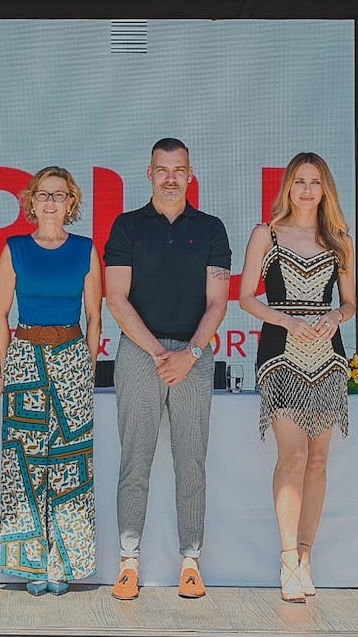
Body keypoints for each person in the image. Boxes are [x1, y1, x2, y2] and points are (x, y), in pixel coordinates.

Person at [103, 138, 231, 600]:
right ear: (150, 172)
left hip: (195, 355)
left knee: (190, 461)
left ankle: (191, 561)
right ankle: (128, 562)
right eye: (163, 169)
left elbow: (218, 300)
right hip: (141, 353)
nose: (171, 178)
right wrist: (160, 353)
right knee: (135, 459)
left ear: (190, 173)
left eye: (179, 170)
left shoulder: (212, 228)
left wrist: (191, 353)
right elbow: (115, 297)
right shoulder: (127, 226)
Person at [237, 152, 356, 603]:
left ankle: (307, 557)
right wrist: (288, 321)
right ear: (288, 186)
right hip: (281, 353)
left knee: (319, 460)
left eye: (315, 181)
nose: (307, 189)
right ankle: (288, 559)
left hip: (328, 355)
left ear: (325, 188)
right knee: (292, 456)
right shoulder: (266, 234)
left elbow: (350, 302)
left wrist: (336, 317)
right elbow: (247, 298)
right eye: (300, 181)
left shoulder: (340, 238)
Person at [0, 166, 103, 596]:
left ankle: (65, 563)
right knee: (24, 460)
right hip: (24, 356)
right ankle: (30, 564)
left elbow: (95, 317)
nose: (51, 202)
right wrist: (6, 367)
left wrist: (86, 365)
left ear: (71, 202)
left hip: (72, 355)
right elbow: (0, 315)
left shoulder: (85, 250)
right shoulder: (14, 248)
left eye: (60, 195)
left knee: (71, 460)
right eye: (43, 195)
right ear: (32, 202)